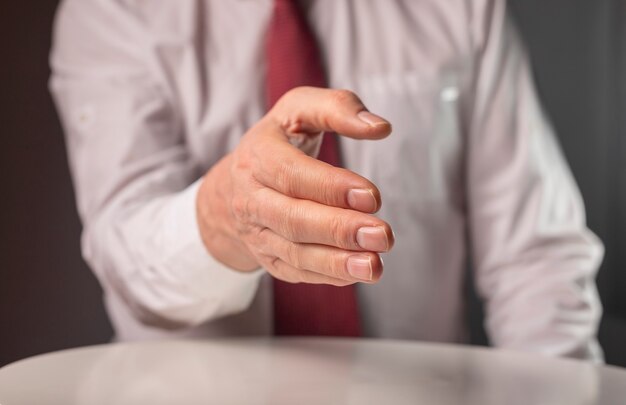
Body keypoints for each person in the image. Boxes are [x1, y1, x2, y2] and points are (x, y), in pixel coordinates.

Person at [49, 0, 604, 360]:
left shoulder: (460, 8)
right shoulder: (111, 13)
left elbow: (535, 257)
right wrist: (231, 215)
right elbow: (125, 250)